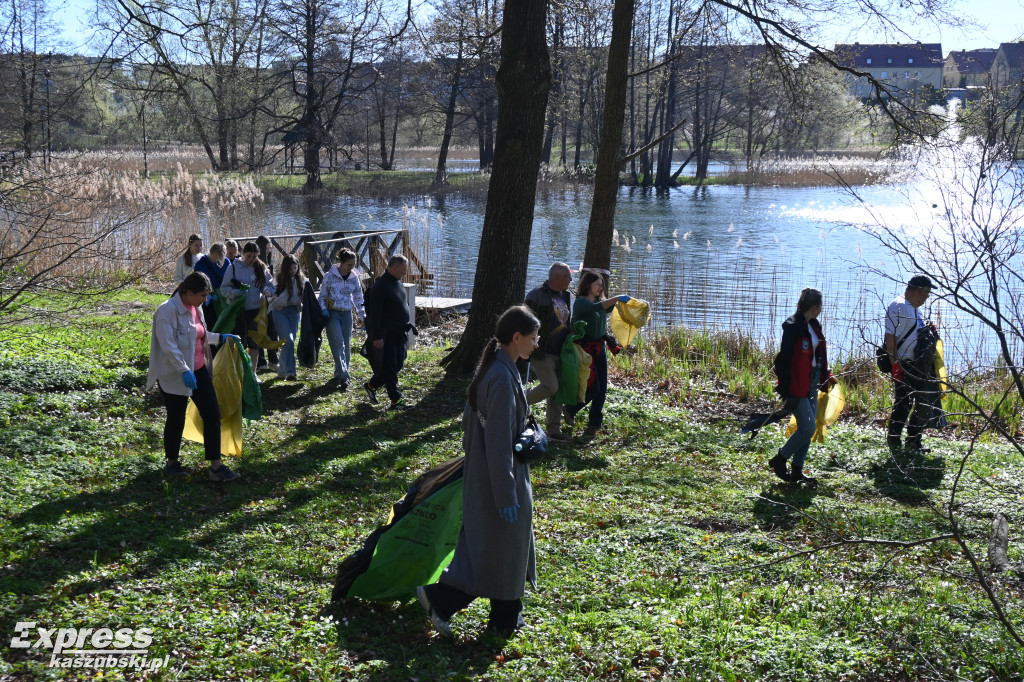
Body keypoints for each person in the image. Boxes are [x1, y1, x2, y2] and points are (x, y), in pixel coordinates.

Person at [416, 305, 541, 638]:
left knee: (501, 549)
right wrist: (505, 494)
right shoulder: (500, 378)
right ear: (516, 338)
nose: (536, 344)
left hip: (493, 477)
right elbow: (498, 444)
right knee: (492, 550)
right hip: (498, 482)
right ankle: (440, 598)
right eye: (532, 338)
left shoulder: (498, 369)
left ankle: (506, 617)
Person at [146, 272, 241, 482]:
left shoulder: (196, 308)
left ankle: (216, 468)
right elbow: (169, 347)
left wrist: (222, 338)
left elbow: (201, 335)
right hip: (174, 374)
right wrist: (183, 370)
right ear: (188, 292)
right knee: (176, 417)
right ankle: (171, 463)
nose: (205, 300)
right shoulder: (166, 312)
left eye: (207, 295)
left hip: (197, 370)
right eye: (202, 295)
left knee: (212, 415)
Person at [769, 287, 835, 484]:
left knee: (811, 427)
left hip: (813, 381)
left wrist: (825, 376)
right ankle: (779, 459)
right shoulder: (792, 326)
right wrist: (785, 388)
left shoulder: (814, 325)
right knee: (807, 428)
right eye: (821, 306)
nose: (822, 309)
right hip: (797, 383)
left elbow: (817, 356)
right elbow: (782, 360)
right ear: (815, 307)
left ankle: (797, 470)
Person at [564, 271, 628, 440]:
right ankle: (570, 410)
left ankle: (594, 423)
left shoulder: (600, 302)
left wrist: (633, 305)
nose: (600, 287)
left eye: (602, 285)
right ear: (587, 285)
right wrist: (617, 298)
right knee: (594, 388)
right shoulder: (581, 303)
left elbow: (612, 308)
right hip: (585, 351)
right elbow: (595, 308)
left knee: (602, 389)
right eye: (597, 284)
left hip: (600, 348)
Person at [885, 275, 935, 456]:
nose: (927, 297)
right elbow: (890, 338)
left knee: (921, 403)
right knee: (903, 404)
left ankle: (913, 441)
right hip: (905, 364)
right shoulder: (899, 306)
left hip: (918, 365)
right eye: (927, 293)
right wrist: (895, 365)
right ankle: (894, 440)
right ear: (918, 290)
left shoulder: (914, 308)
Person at [524, 263, 573, 439]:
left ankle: (554, 430)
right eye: (568, 276)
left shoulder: (565, 296)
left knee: (557, 392)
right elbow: (525, 321)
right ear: (557, 277)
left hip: (561, 351)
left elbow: (565, 321)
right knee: (551, 386)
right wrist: (529, 343)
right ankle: (517, 400)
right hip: (542, 352)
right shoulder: (536, 295)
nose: (571, 280)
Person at [364, 255, 413, 410]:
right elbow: (375, 314)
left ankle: (372, 385)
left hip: (399, 332)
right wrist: (377, 336)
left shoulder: (396, 282)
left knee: (398, 362)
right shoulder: (381, 286)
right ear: (394, 267)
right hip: (387, 333)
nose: (405, 272)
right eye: (403, 269)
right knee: (391, 367)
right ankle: (396, 400)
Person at [222, 242, 275, 373]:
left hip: (255, 311)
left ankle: (252, 373)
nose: (251, 259)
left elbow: (270, 284)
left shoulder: (261, 267)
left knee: (254, 344)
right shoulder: (233, 267)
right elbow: (224, 288)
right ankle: (238, 373)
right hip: (238, 311)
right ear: (243, 253)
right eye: (249, 256)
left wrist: (267, 290)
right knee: (239, 344)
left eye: (254, 256)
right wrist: (235, 293)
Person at [319, 248, 366, 390]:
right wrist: (324, 310)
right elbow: (322, 296)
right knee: (338, 344)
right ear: (341, 263)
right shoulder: (330, 276)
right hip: (332, 314)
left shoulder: (354, 277)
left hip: (346, 314)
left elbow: (358, 297)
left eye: (353, 265)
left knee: (346, 345)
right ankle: (345, 377)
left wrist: (362, 315)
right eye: (349, 265)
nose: (352, 268)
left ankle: (339, 372)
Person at [268, 254, 306, 381]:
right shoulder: (278, 279)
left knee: (290, 342)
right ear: (285, 268)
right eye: (290, 269)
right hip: (280, 311)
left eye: (295, 268)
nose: (293, 271)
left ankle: (282, 371)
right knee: (288, 340)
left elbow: (306, 296)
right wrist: (275, 299)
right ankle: (291, 372)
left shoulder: (301, 280)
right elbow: (270, 294)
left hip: (294, 311)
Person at [254, 235, 279, 369]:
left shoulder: (269, 263)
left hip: (270, 301)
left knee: (272, 330)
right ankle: (261, 361)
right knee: (260, 330)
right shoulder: (256, 264)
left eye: (270, 248)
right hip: (259, 302)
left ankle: (273, 359)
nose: (269, 251)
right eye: (267, 248)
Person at [193, 242, 229, 332]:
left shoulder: (226, 262)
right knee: (210, 322)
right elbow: (196, 282)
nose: (216, 260)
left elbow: (229, 279)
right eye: (215, 257)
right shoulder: (200, 264)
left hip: (222, 297)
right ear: (211, 252)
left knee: (222, 321)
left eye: (219, 258)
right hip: (207, 298)